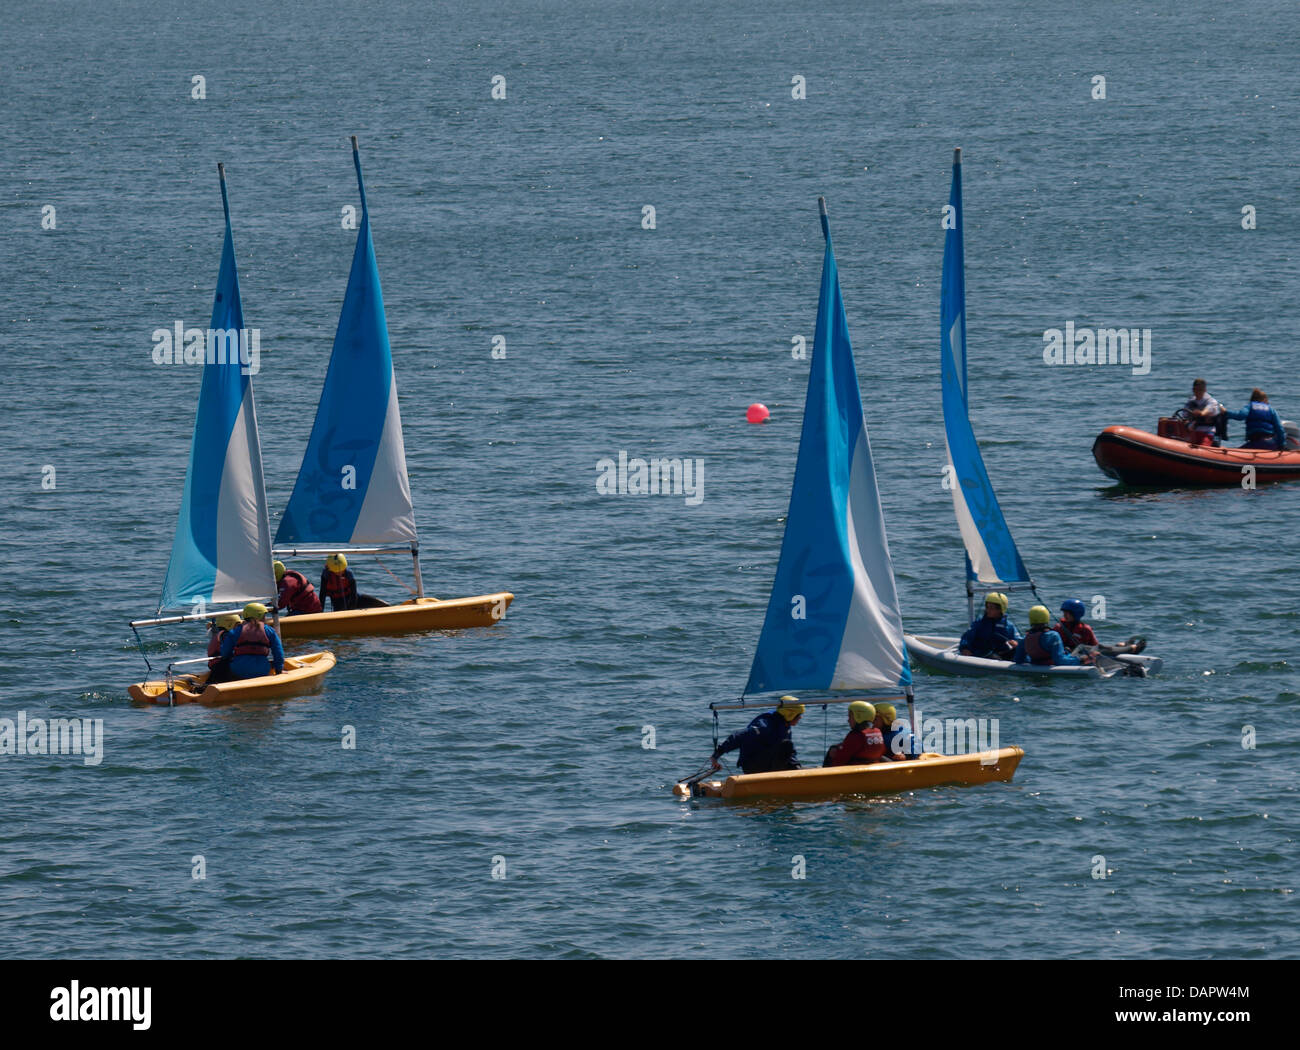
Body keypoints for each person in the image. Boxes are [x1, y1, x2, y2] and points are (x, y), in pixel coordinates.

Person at [710, 697, 803, 774]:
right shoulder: (764, 726)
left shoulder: (785, 725)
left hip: (770, 763)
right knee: (786, 745)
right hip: (753, 765)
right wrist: (716, 756)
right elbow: (738, 736)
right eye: (798, 715)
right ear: (790, 714)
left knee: (787, 746)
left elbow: (789, 752)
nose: (800, 717)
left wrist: (796, 767)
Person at [213, 602, 285, 684]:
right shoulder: (270, 631)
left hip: (239, 670)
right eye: (264, 615)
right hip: (262, 670)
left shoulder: (235, 631)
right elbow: (278, 653)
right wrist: (279, 670)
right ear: (259, 616)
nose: (265, 618)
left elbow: (225, 653)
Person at [959, 592, 1020, 660]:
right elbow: (966, 637)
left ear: (1000, 609)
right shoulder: (979, 623)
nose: (988, 610)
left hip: (1001, 654)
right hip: (982, 654)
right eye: (987, 607)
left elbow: (1018, 639)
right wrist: (964, 648)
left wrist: (1016, 643)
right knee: (994, 656)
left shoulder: (1008, 626)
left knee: (1018, 652)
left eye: (991, 608)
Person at [1013, 605, 1080, 667]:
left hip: (1034, 666)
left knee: (1067, 651)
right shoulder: (1053, 636)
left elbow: (1018, 660)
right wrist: (1080, 660)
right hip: (1051, 668)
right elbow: (1060, 661)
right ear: (1046, 617)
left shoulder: (1025, 639)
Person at [823, 701, 885, 767]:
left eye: (850, 717)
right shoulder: (877, 732)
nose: (848, 720)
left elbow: (840, 760)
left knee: (833, 749)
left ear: (858, 717)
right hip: (874, 767)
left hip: (857, 770)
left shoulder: (856, 736)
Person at [1223, 389, 1287, 451]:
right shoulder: (1271, 409)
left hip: (1255, 443)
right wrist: (1282, 445)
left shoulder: (1250, 406)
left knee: (1238, 451)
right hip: (1270, 443)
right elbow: (1280, 429)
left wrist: (1226, 412)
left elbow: (1240, 416)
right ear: (1265, 399)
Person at [1182, 379, 1223, 446]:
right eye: (1195, 389)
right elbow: (1184, 414)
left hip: (1208, 432)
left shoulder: (1211, 401)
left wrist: (1200, 413)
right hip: (1194, 431)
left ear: (1204, 390)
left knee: (1203, 444)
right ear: (1193, 390)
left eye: (1200, 390)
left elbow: (1207, 410)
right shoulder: (1191, 401)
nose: (1197, 392)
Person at [204, 613, 241, 684]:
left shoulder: (220, 634)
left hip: (216, 665)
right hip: (222, 666)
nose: (238, 628)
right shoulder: (226, 636)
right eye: (237, 625)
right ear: (229, 624)